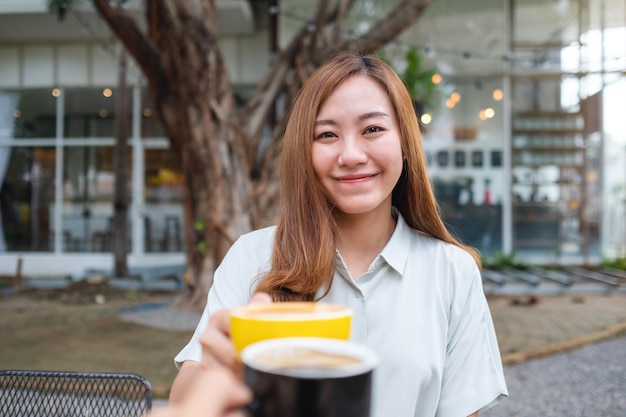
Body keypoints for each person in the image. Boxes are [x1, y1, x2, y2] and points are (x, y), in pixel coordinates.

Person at [170, 51, 508, 417]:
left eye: (373, 129)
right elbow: (186, 405)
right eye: (327, 134)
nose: (350, 155)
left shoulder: (452, 270)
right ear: (305, 151)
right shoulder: (251, 256)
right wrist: (221, 365)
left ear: (406, 143)